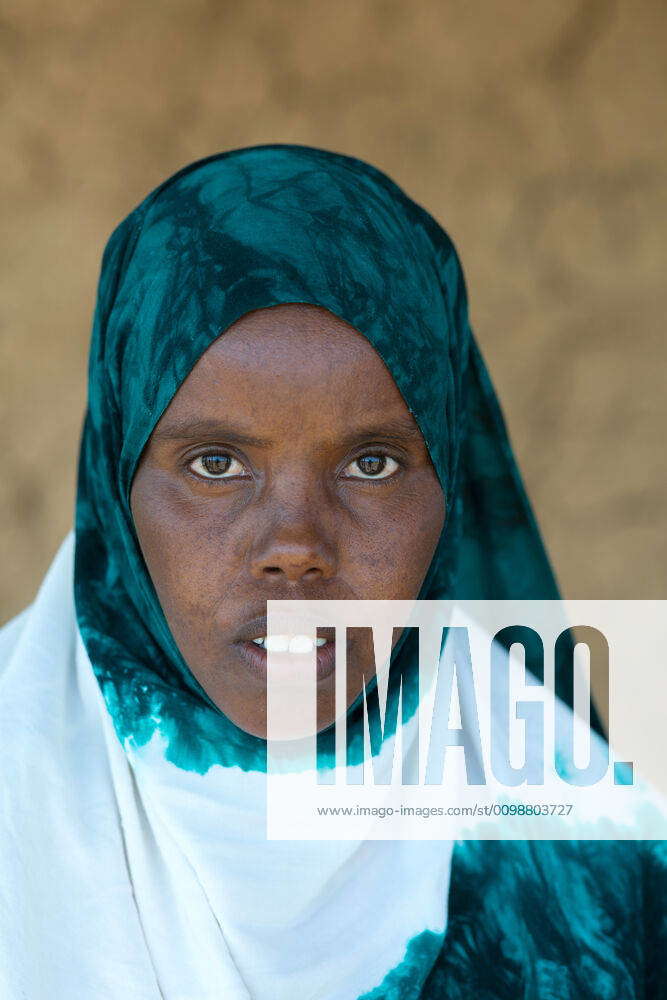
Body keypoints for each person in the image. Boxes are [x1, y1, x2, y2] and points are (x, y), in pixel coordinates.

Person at [0, 144, 664, 999]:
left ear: (450, 486)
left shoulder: (595, 872)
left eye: (373, 464)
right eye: (213, 463)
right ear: (116, 479)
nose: (295, 544)